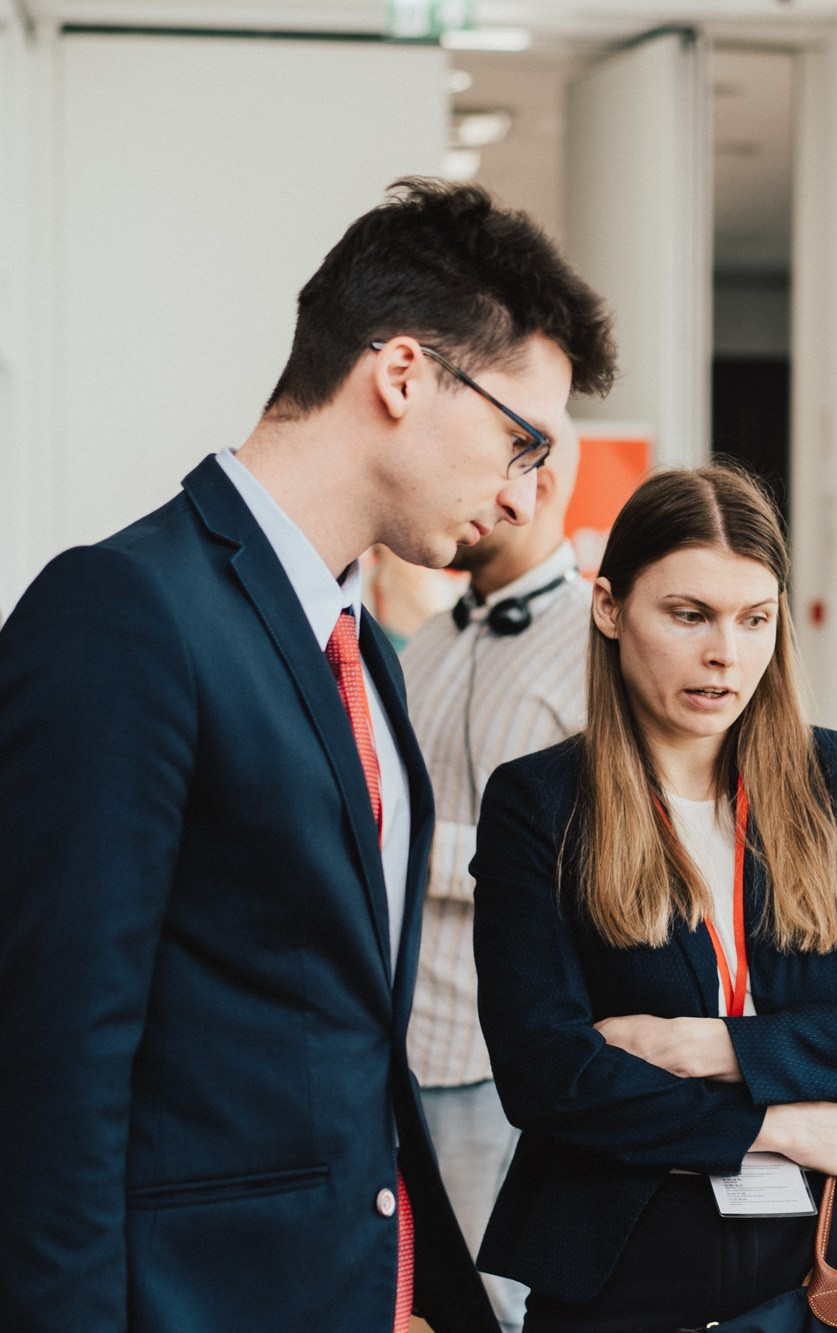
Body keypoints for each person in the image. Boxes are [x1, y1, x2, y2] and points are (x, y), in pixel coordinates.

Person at [0, 178, 615, 1333]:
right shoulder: (125, 611)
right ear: (400, 376)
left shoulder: (369, 654)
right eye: (518, 438)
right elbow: (51, 1064)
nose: (526, 490)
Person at [470, 464, 837, 1330]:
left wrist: (707, 1045)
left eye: (754, 618)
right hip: (628, 1257)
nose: (725, 653)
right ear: (610, 607)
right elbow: (547, 1075)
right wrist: (779, 1125)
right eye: (689, 615)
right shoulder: (541, 803)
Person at [401, 413, 592, 1331]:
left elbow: (584, 867)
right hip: (398, 1039)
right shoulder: (429, 645)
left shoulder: (597, 654)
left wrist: (391, 845)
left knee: (499, 1305)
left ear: (543, 486)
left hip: (493, 1052)